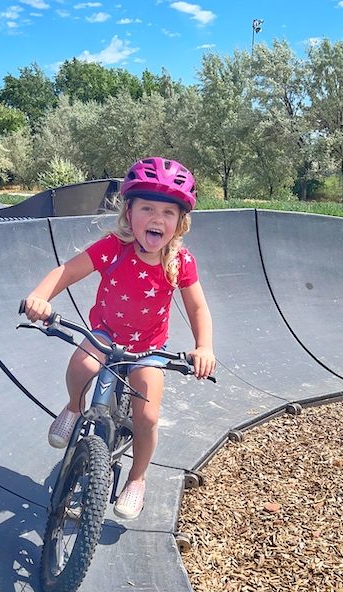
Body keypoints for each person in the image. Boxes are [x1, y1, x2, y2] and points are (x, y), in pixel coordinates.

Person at [23, 157, 215, 520]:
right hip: (106, 333)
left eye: (168, 213)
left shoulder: (180, 262)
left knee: (147, 416)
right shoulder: (114, 247)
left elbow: (198, 309)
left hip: (148, 348)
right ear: (129, 212)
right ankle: (74, 407)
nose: (157, 219)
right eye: (147, 208)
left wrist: (204, 346)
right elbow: (67, 271)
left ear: (180, 222)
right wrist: (40, 297)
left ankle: (137, 479)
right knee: (82, 364)